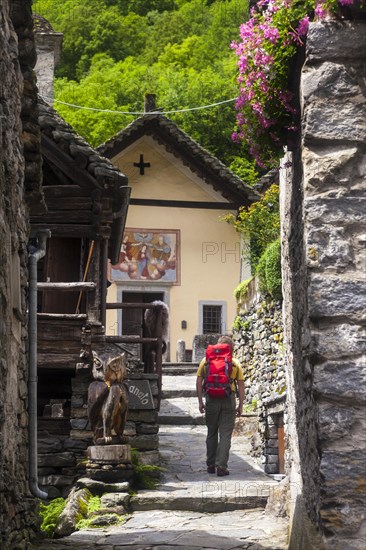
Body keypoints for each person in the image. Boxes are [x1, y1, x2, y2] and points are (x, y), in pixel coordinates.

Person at [196, 335, 244, 477]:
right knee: (225, 435)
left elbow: (199, 382)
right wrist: (240, 405)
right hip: (229, 399)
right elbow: (241, 386)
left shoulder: (206, 361)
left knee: (211, 432)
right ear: (231, 349)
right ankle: (222, 467)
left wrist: (200, 401)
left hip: (211, 398)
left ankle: (211, 464)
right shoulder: (235, 363)